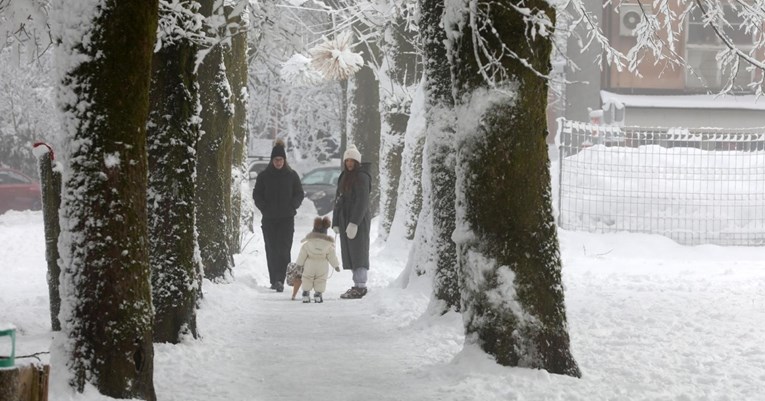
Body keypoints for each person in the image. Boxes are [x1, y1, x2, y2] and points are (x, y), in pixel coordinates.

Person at [253, 139, 304, 292]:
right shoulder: (264, 176)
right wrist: (264, 208)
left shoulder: (292, 175)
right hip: (269, 220)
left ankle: (281, 279)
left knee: (284, 249)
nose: (278, 162)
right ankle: (274, 280)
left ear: (284, 160)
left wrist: (293, 205)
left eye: (281, 159)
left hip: (286, 219)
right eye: (276, 160)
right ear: (272, 160)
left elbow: (299, 193)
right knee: (272, 249)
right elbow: (257, 195)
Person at [332, 144, 371, 299]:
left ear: (357, 162)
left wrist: (354, 222)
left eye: (352, 161)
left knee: (359, 251)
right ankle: (356, 284)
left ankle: (361, 285)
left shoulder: (362, 177)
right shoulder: (344, 176)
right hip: (344, 218)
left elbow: (362, 201)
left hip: (358, 220)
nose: (349, 163)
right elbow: (338, 200)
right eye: (347, 160)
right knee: (350, 252)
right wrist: (335, 221)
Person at [295, 216, 341, 303]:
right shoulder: (328, 245)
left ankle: (305, 294)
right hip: (322, 266)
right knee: (321, 279)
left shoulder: (308, 243)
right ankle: (318, 295)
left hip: (309, 264)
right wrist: (336, 265)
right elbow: (332, 256)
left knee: (307, 278)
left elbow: (302, 255)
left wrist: (299, 265)